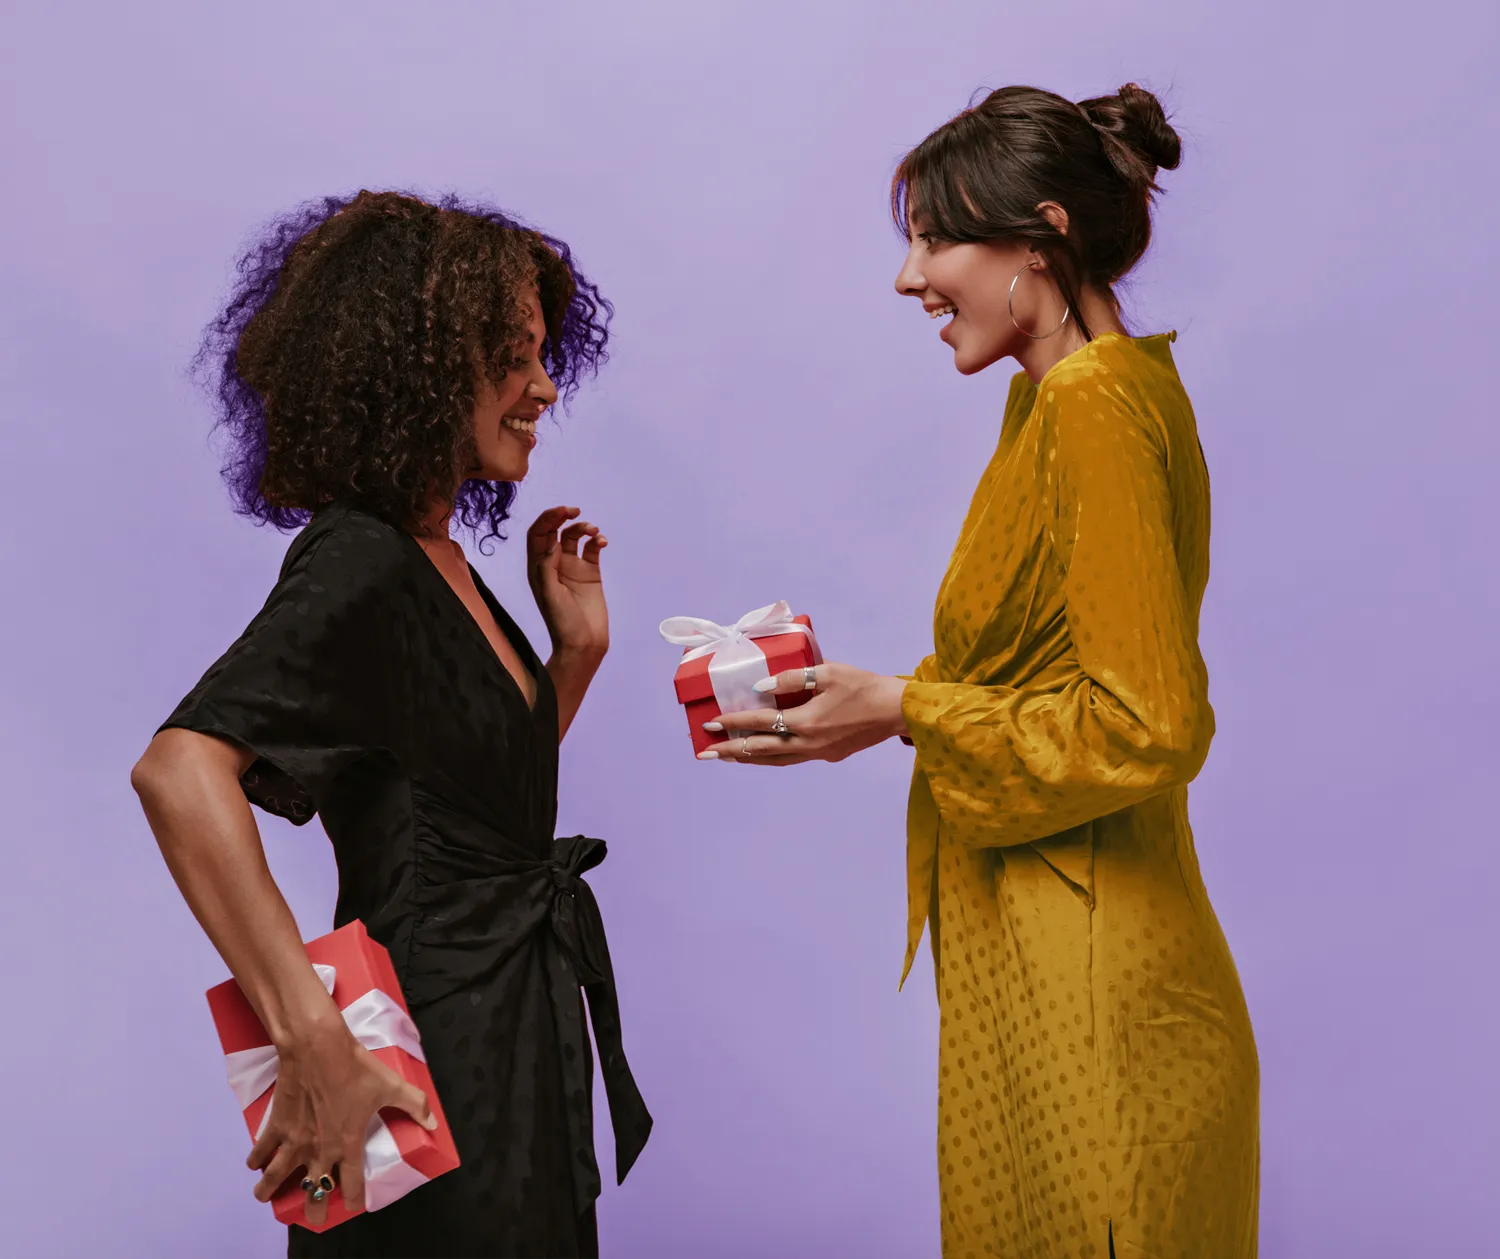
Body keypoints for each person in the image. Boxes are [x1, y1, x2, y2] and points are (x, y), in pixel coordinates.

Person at [704, 85, 1259, 1258]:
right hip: (1052, 959)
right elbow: (1044, 668)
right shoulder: (1072, 396)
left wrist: (910, 704)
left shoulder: (1096, 410)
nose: (910, 277)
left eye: (934, 238)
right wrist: (870, 709)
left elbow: (1146, 721)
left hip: (1096, 994)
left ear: (1039, 240)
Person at [130, 189, 651, 1258]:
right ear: (416, 371)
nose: (545, 386)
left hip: (517, 1041)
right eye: (512, 355)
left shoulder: (443, 558)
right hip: (429, 1056)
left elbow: (467, 806)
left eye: (545, 354)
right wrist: (310, 1035)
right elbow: (179, 770)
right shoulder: (361, 556)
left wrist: (574, 658)